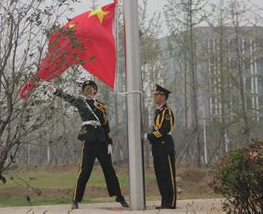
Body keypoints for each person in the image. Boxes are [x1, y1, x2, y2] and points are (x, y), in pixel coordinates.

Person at [48, 80, 129, 210]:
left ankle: (119, 196)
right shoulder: (81, 101)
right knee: (85, 171)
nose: (88, 89)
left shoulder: (101, 105)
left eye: (90, 87)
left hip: (102, 140)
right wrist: (55, 91)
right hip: (89, 139)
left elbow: (106, 124)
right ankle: (75, 199)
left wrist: (109, 142)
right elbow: (68, 98)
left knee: (110, 170)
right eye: (85, 87)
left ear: (95, 90)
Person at [144, 84, 177, 209]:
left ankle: (171, 202)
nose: (155, 97)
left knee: (168, 175)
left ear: (163, 97)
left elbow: (164, 129)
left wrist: (149, 136)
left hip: (165, 146)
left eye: (157, 94)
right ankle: (165, 201)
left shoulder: (167, 112)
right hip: (158, 147)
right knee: (160, 176)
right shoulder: (158, 112)